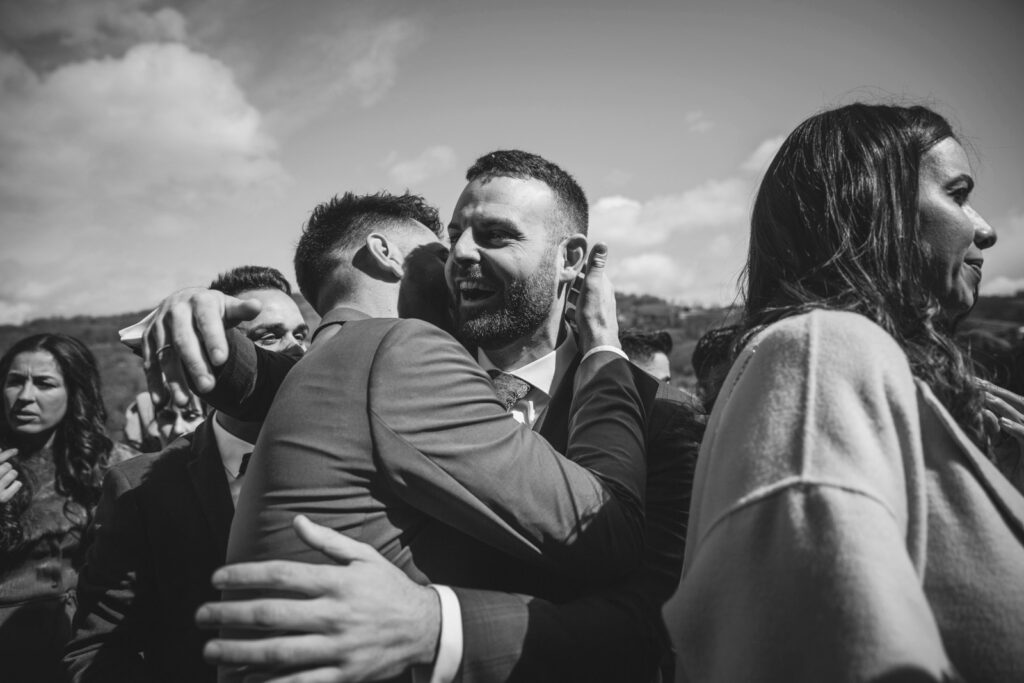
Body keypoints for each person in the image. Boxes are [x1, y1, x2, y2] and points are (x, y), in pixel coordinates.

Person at [153, 152, 697, 682]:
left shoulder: (661, 416)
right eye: (453, 236)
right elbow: (310, 375)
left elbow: (649, 624)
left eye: (495, 235)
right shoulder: (401, 357)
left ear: (570, 258)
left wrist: (442, 628)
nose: (461, 253)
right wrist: (199, 324)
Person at [674, 103, 1024, 681]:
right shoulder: (821, 350)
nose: (984, 228)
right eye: (958, 195)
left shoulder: (848, 365)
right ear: (874, 206)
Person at [63, 266, 308, 683]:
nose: (298, 351)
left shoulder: (351, 449)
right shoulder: (140, 489)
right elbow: (96, 651)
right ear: (209, 352)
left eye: (302, 334)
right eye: (270, 336)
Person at [0, 333, 135, 683]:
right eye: (15, 381)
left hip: (82, 643)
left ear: (74, 391)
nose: (25, 396)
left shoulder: (114, 467)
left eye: (44, 383)